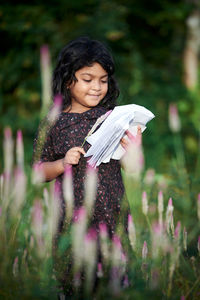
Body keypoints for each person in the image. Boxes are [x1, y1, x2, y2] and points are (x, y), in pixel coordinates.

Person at [33, 36, 139, 237]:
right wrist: (62, 163)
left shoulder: (112, 117)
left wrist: (133, 150)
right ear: (67, 81)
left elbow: (131, 168)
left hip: (111, 212)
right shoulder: (53, 121)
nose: (97, 87)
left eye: (103, 80)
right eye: (88, 80)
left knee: (113, 267)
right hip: (71, 217)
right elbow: (38, 172)